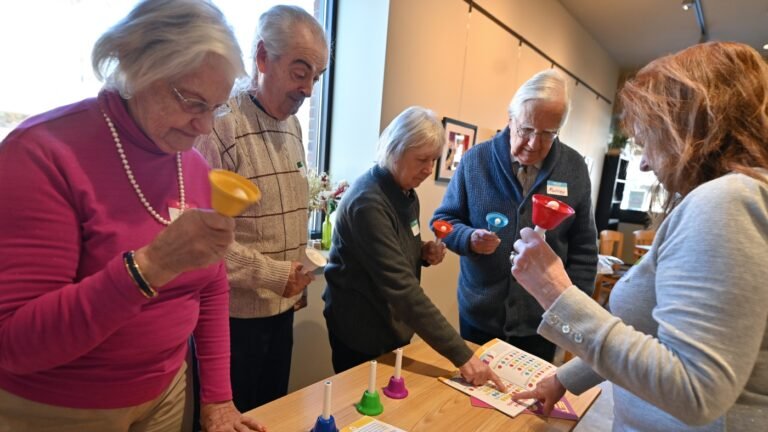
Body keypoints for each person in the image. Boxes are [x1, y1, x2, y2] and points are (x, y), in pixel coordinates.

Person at [0, 1, 265, 431]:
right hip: (60, 408)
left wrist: (218, 398)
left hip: (164, 395)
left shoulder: (192, 165)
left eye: (215, 107)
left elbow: (212, 287)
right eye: (192, 101)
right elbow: (15, 343)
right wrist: (153, 265)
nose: (203, 127)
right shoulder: (42, 154)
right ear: (136, 65)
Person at [510, 41, 768, 431]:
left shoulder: (726, 202)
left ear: (688, 131)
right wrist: (565, 378)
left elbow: (696, 392)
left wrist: (554, 291)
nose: (645, 162)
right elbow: (649, 335)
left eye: (649, 140)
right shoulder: (735, 195)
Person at [195, 5, 328, 412]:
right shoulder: (220, 125)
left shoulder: (292, 127)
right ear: (262, 58)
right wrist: (274, 274)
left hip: (281, 311)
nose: (308, 90)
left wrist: (293, 277)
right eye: (300, 72)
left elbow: (283, 215)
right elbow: (202, 239)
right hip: (230, 323)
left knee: (273, 415)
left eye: (316, 78)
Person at [322, 106, 506, 390]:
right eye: (422, 159)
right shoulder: (368, 202)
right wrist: (463, 356)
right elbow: (403, 289)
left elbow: (391, 243)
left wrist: (420, 251)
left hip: (391, 323)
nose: (428, 170)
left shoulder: (406, 192)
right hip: (361, 328)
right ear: (395, 150)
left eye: (433, 160)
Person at [431, 69, 597, 361]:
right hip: (479, 315)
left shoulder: (574, 169)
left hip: (542, 321)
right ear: (510, 118)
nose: (534, 143)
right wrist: (468, 238)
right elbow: (443, 222)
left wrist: (571, 311)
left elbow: (584, 250)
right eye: (527, 130)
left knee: (530, 402)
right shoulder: (475, 161)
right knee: (472, 399)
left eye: (547, 134)